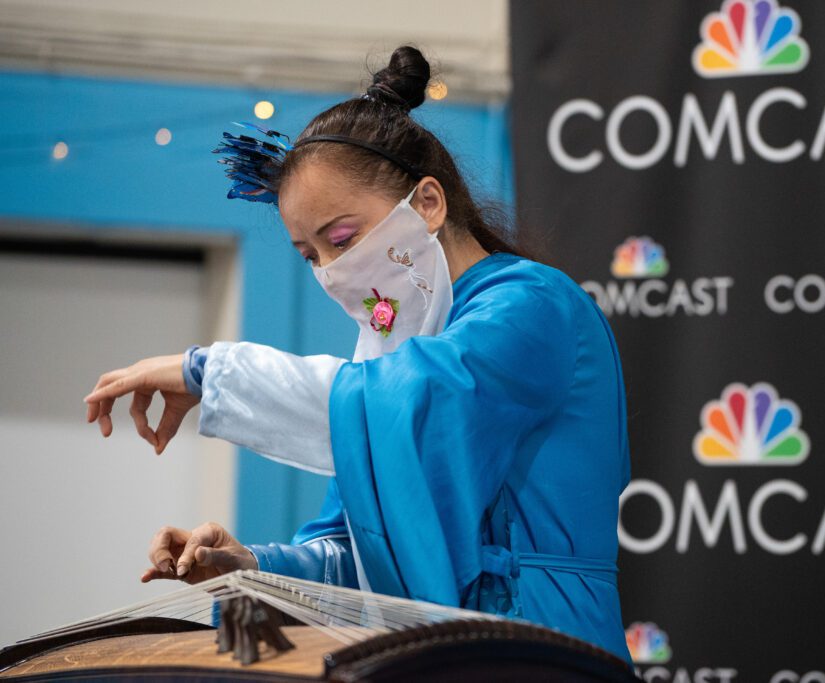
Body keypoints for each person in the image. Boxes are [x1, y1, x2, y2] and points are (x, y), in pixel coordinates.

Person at [83, 46, 632, 662]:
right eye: (310, 255)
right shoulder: (392, 352)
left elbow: (415, 398)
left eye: (341, 237)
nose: (331, 269)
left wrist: (207, 372)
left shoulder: (531, 307)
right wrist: (251, 566)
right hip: (436, 656)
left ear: (428, 204)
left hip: (545, 649)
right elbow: (354, 554)